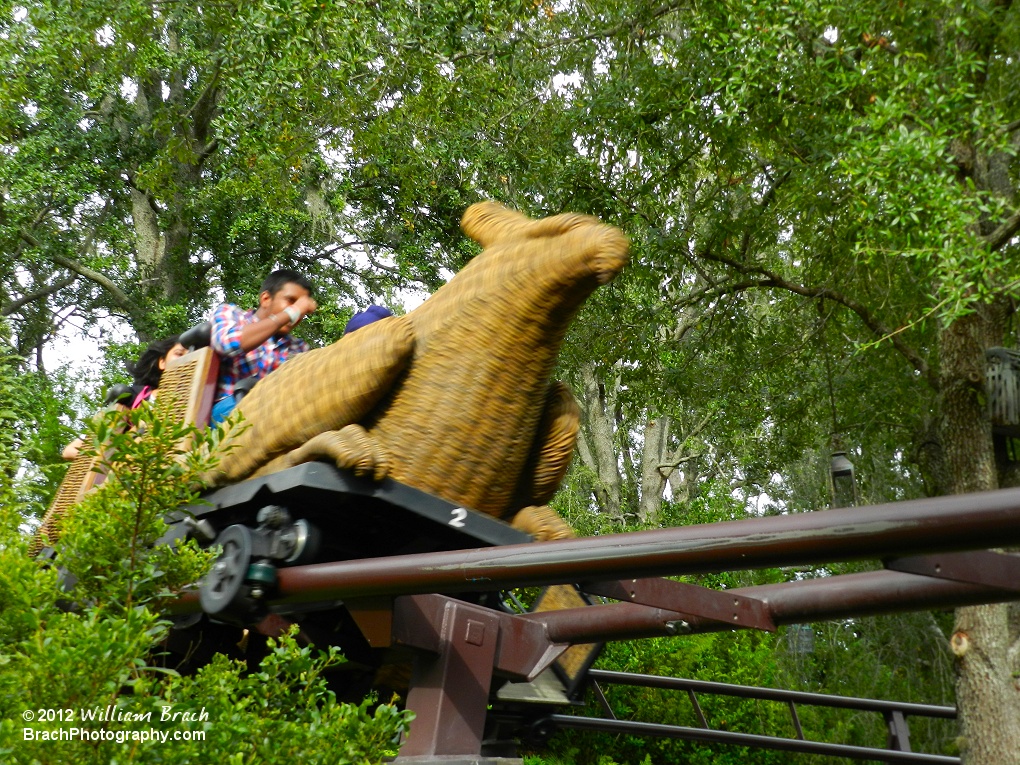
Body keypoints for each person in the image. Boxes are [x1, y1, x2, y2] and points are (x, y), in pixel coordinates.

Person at [209, 268, 317, 424]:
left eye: (302, 308)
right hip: (222, 416)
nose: (299, 313)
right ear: (266, 299)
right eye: (291, 301)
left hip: (273, 421)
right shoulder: (231, 315)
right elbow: (227, 343)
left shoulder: (298, 347)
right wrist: (291, 312)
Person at [61, 336, 188, 460]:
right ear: (162, 362)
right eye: (179, 354)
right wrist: (111, 461)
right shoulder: (134, 398)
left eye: (192, 354)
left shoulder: (199, 401)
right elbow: (70, 451)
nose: (187, 359)